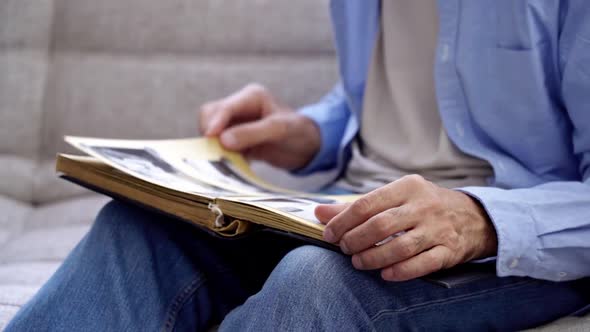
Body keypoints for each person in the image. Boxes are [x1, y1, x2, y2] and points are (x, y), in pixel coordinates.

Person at [6, 1, 590, 331]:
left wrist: (477, 221)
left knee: (314, 283)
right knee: (133, 230)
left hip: (510, 247)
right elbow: (381, 99)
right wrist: (310, 132)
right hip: (348, 207)